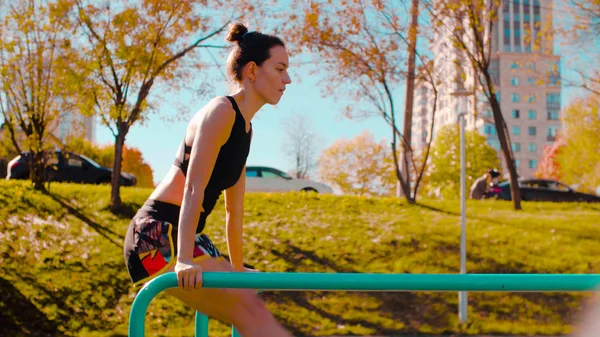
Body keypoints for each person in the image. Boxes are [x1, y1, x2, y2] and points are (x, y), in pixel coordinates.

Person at [123, 23, 293, 337]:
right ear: (252, 70)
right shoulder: (221, 112)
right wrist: (184, 259)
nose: (287, 79)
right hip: (156, 235)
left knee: (252, 306)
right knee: (250, 312)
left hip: (189, 236)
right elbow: (193, 186)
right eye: (280, 68)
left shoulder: (246, 129)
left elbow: (234, 212)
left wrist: (239, 270)